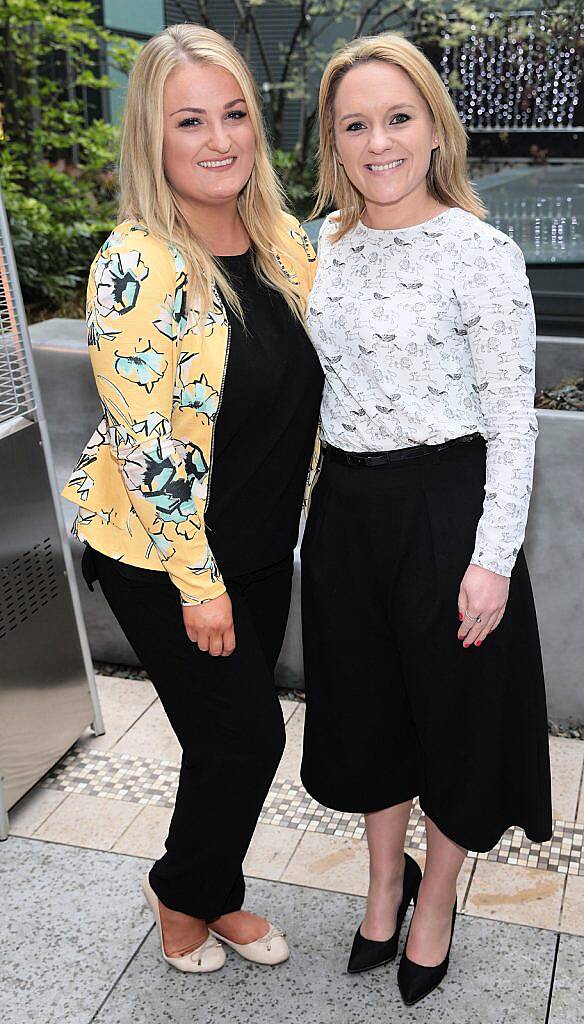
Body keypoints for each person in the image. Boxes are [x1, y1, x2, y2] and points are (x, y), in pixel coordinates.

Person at [61, 23, 322, 974]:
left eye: (234, 114)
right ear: (152, 139)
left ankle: (218, 890)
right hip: (158, 550)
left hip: (257, 538)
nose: (219, 138)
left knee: (233, 739)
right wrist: (197, 582)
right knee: (245, 737)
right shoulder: (138, 260)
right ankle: (184, 888)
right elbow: (149, 443)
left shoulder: (287, 242)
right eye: (189, 121)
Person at [301, 32, 552, 1006]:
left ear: (432, 128)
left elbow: (511, 427)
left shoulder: (479, 255)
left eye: (396, 118)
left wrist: (490, 559)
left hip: (448, 512)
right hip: (346, 513)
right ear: (333, 140)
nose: (377, 143)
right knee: (367, 714)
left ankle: (436, 898)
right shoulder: (322, 243)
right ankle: (380, 884)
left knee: (452, 722)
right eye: (355, 124)